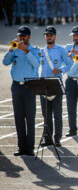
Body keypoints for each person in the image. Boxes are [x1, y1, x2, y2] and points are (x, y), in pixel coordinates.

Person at [2, 26, 41, 156]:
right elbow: (5, 62)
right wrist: (11, 50)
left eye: (24, 36)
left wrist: (26, 51)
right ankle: (21, 147)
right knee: (18, 118)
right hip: (17, 86)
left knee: (30, 117)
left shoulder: (35, 50)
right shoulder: (15, 49)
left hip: (29, 86)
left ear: (29, 37)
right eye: (20, 36)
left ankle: (30, 148)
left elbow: (36, 64)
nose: (21, 38)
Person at [39, 26, 71, 147]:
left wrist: (61, 70)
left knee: (57, 113)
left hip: (56, 83)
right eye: (47, 35)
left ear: (55, 36)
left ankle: (57, 138)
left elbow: (70, 63)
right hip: (44, 84)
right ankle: (47, 138)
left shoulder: (61, 50)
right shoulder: (42, 51)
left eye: (51, 35)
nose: (48, 37)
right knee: (46, 113)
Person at [65, 26, 78, 137]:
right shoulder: (68, 47)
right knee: (71, 107)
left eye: (77, 35)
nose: (75, 37)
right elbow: (65, 63)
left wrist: (77, 53)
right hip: (70, 81)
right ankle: (72, 129)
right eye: (73, 35)